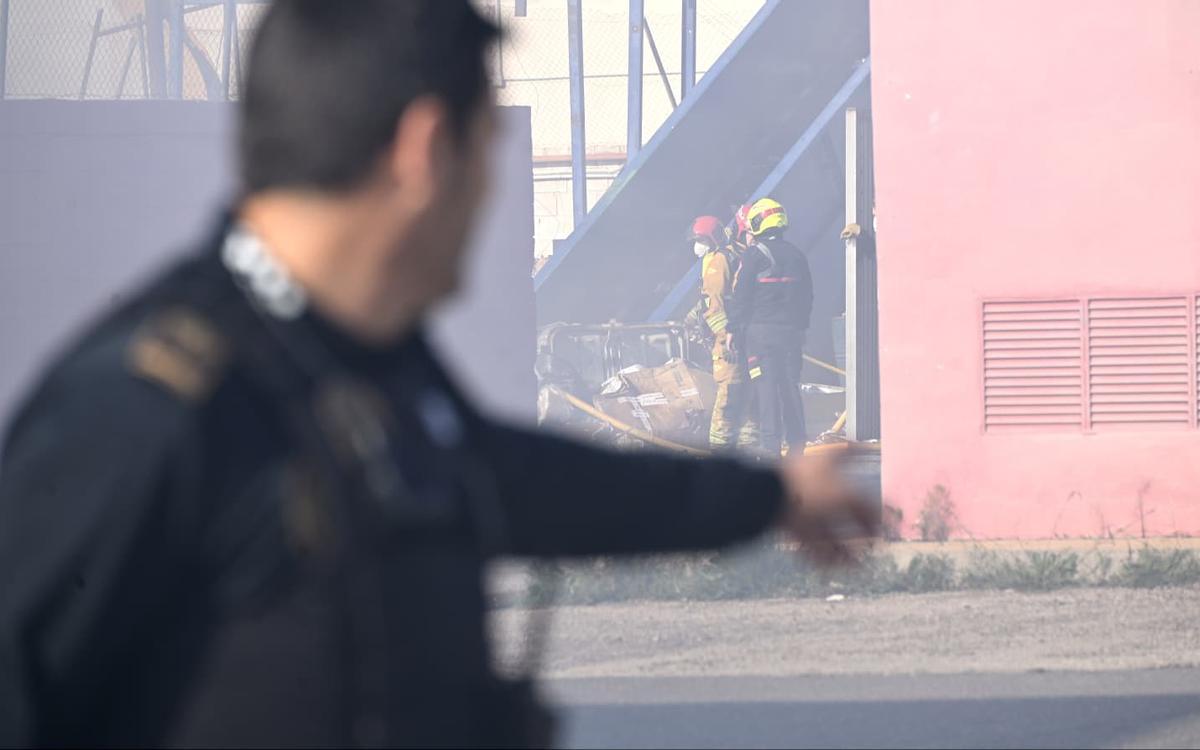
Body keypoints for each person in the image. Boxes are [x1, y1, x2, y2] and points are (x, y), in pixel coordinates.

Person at [0, 3, 874, 747]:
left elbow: (519, 481)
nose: (490, 190)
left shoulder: (354, 363)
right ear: (426, 150)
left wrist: (768, 497)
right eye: (489, 146)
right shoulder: (143, 411)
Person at [728, 198, 814, 459]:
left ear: (758, 223)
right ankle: (798, 446)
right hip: (790, 334)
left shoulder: (753, 255)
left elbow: (741, 295)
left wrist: (733, 328)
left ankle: (771, 449)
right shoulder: (797, 255)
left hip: (760, 335)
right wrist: (800, 328)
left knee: (766, 389)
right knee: (790, 386)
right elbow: (807, 296)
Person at [684, 215, 758, 451]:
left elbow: (713, 304)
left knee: (728, 391)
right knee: (746, 390)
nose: (697, 246)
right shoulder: (737, 252)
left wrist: (724, 338)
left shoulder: (717, 260)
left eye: (700, 240)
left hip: (729, 338)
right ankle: (748, 442)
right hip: (745, 333)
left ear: (711, 239)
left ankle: (720, 446)